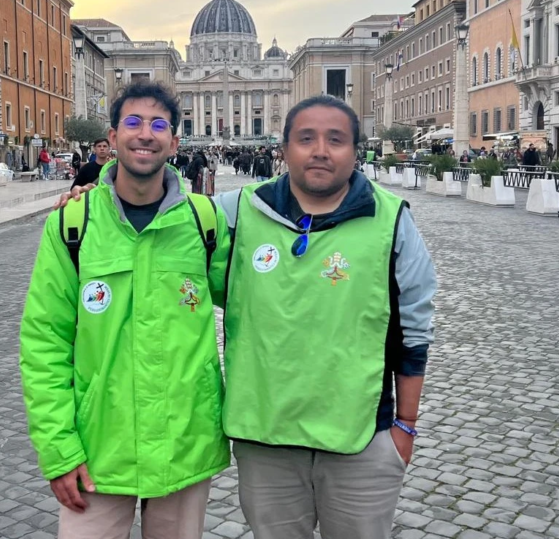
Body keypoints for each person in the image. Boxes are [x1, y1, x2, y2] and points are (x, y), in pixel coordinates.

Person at [53, 96, 438, 539]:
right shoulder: (235, 213)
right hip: (266, 438)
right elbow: (166, 216)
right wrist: (95, 198)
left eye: (336, 140)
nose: (320, 151)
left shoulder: (392, 220)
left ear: (355, 150)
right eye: (306, 139)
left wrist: (405, 426)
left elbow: (414, 330)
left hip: (361, 437)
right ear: (284, 148)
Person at [20, 81, 231, 539]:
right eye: (133, 122)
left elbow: (254, 307)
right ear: (112, 138)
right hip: (98, 448)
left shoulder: (205, 220)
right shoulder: (73, 223)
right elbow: (44, 343)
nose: (145, 134)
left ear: (174, 142)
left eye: (158, 125)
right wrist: (59, 450)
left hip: (183, 443)